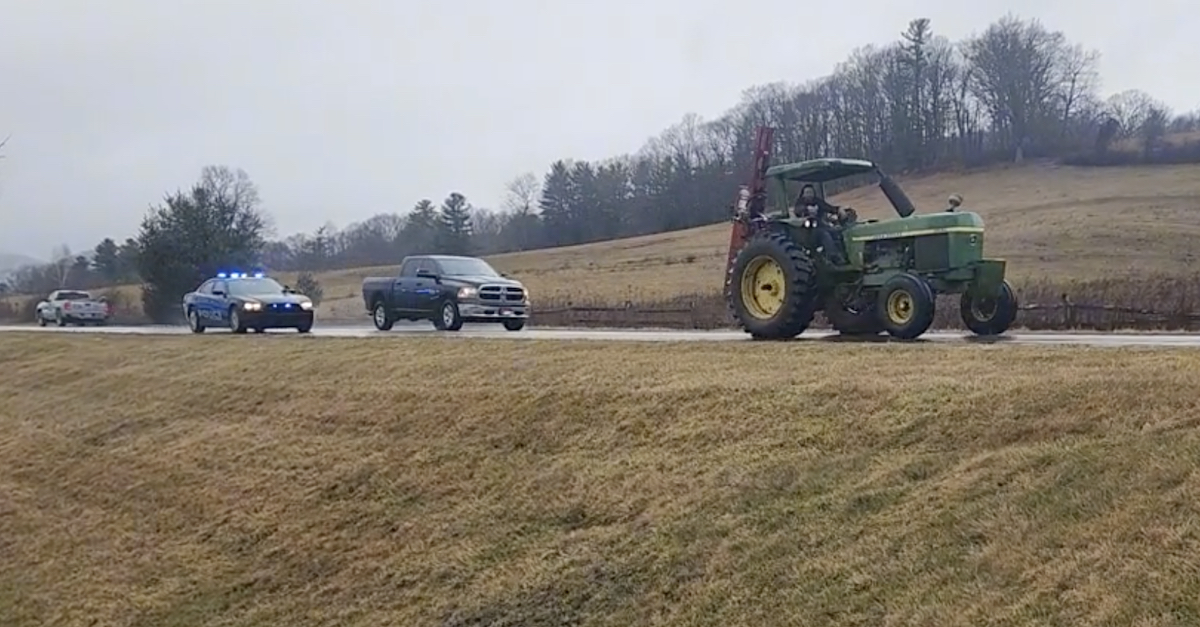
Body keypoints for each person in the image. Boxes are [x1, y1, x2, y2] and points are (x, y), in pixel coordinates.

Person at [793, 184, 848, 264]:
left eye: (811, 192)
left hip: (820, 226)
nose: (809, 194)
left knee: (837, 232)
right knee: (825, 235)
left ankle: (843, 255)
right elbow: (797, 210)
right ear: (803, 194)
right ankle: (833, 257)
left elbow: (828, 207)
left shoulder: (817, 201)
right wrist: (806, 210)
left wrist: (839, 209)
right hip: (808, 232)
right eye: (807, 192)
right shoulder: (800, 202)